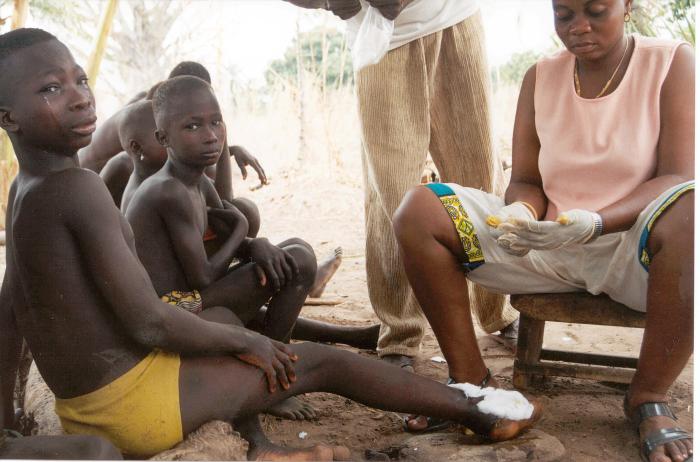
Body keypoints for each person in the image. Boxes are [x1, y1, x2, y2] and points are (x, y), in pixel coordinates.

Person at [0, 28, 541, 460]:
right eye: (51, 89)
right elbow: (148, 321)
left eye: (79, 80)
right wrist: (253, 345)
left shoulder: (25, 191)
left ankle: (264, 439)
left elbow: (9, 314)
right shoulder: (79, 189)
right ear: (8, 118)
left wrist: (6, 422)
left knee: (238, 334)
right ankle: (478, 409)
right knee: (321, 365)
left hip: (88, 406)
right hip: (133, 405)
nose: (77, 98)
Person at [392, 0, 694, 460]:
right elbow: (528, 181)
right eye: (564, 15)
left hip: (636, 252)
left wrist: (595, 222)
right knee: (419, 209)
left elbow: (677, 176)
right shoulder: (541, 75)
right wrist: (522, 215)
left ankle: (647, 396)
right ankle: (472, 386)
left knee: (693, 212)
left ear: (628, 5)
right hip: (546, 245)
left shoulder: (671, 62)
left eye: (596, 11)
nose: (579, 27)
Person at [284, 0, 519, 372]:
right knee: (390, 194)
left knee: (480, 179)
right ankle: (399, 334)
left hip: (455, 19)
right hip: (382, 43)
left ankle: (500, 312)